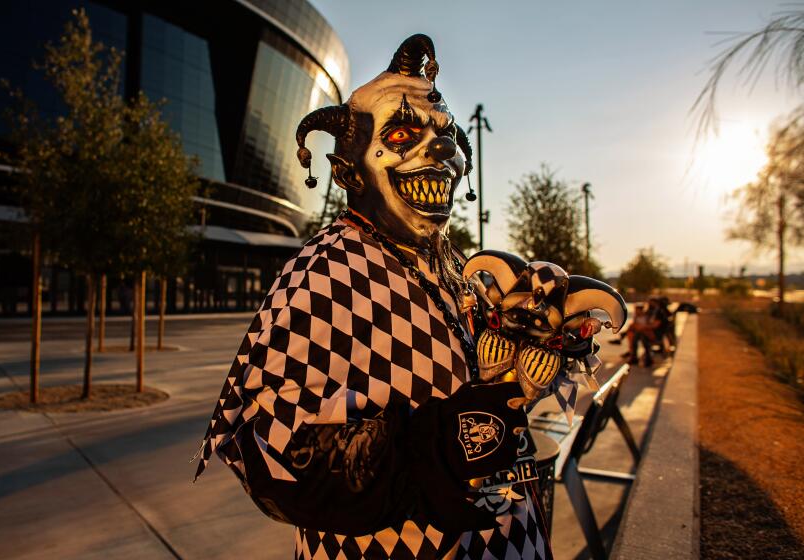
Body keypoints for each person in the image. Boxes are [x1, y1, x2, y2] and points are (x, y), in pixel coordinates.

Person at [193, 35, 624, 560]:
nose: (442, 151)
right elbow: (269, 453)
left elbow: (471, 388)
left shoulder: (448, 258)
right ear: (349, 168)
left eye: (447, 136)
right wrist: (431, 449)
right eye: (402, 133)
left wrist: (530, 361)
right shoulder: (324, 269)